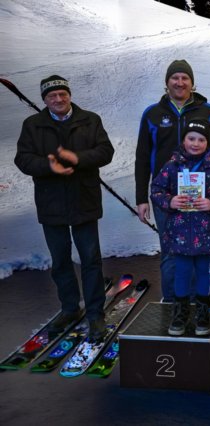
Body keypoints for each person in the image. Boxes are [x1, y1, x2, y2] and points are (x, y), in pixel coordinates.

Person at [14, 75, 114, 341]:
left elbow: (106, 152)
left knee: (91, 260)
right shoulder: (33, 125)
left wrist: (77, 158)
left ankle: (95, 314)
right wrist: (49, 166)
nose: (58, 99)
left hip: (84, 199)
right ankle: (70, 309)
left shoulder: (90, 120)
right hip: (51, 203)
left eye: (62, 94)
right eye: (52, 96)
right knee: (60, 261)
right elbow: (23, 159)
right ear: (45, 100)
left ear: (69, 95)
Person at [135, 59, 210, 302]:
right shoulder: (153, 114)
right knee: (171, 252)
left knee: (200, 250)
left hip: (201, 195)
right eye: (175, 77)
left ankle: (196, 304)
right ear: (167, 82)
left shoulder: (207, 112)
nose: (180, 82)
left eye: (185, 78)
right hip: (166, 195)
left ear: (192, 83)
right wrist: (141, 198)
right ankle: (172, 304)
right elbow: (142, 157)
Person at [150, 119, 210, 336]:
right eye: (191, 138)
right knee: (181, 272)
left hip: (206, 233)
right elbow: (156, 189)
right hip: (179, 233)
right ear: (183, 140)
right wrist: (169, 201)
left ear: (208, 143)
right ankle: (179, 315)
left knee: (203, 272)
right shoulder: (172, 166)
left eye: (201, 140)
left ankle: (202, 315)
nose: (196, 143)